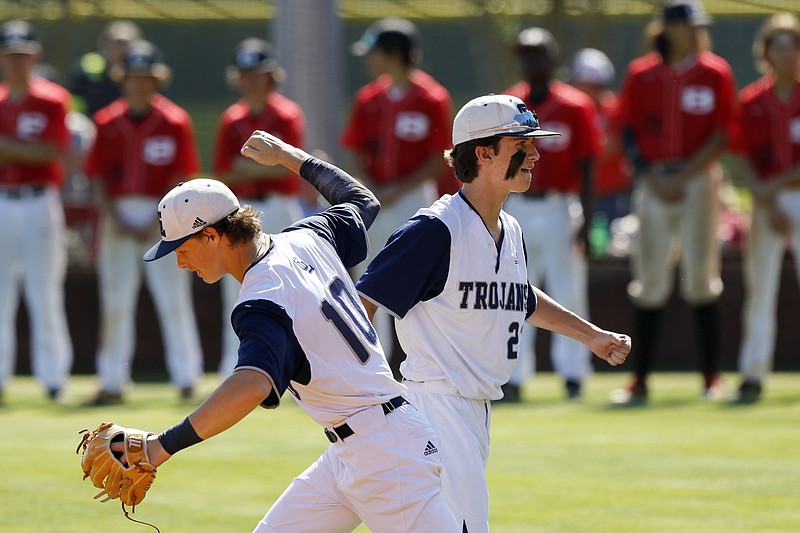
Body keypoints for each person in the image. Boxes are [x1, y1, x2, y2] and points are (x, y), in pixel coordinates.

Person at [137, 130, 460, 532]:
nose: (181, 262)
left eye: (182, 248)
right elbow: (362, 200)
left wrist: (162, 445)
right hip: (360, 446)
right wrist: (288, 156)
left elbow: (253, 384)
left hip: (385, 454)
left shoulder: (261, 297)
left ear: (212, 234)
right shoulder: (307, 236)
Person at [356, 93, 631, 533]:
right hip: (435, 405)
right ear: (483, 152)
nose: (536, 153)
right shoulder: (435, 229)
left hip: (469, 406)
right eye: (521, 144)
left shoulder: (509, 227)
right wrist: (359, 391)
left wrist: (591, 336)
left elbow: (518, 296)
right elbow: (361, 306)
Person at [611, 0, 737, 404]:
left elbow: (722, 133)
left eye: (694, 26)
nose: (690, 32)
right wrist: (651, 175)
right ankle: (640, 381)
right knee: (649, 280)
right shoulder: (642, 72)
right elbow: (626, 130)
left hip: (698, 178)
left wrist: (686, 175)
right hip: (653, 178)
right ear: (666, 29)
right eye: (684, 25)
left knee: (702, 278)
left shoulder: (715, 71)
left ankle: (711, 379)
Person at [84, 39, 204, 405]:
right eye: (133, 77)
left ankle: (187, 377)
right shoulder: (106, 121)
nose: (139, 84)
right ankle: (112, 380)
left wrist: (162, 219)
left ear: (157, 80)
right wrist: (113, 217)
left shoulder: (174, 120)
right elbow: (97, 177)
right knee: (115, 301)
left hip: (164, 214)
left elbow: (182, 176)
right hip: (118, 214)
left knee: (173, 299)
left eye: (145, 77)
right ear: (123, 80)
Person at [342, 17, 454, 375]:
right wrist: (369, 186)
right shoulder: (368, 98)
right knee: (370, 278)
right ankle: (373, 366)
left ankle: (418, 364)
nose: (369, 60)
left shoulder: (431, 97)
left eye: (374, 52)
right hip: (373, 198)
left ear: (394, 53)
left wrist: (396, 189)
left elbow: (439, 157)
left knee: (416, 279)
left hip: (413, 199)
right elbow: (355, 151)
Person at [502, 27, 602, 400]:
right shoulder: (509, 103)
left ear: (552, 59)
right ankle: (514, 375)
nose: (530, 62)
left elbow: (589, 164)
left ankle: (573, 373)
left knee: (568, 291)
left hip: (561, 205)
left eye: (537, 54)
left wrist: (588, 223)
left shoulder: (576, 106)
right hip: (518, 205)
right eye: (524, 55)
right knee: (513, 291)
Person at [214, 37, 307, 377]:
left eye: (257, 74)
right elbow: (224, 170)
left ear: (270, 76)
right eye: (245, 74)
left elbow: (288, 169)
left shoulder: (286, 113)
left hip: (279, 206)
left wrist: (254, 165)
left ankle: (295, 368)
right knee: (234, 288)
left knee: (288, 286)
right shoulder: (231, 118)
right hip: (239, 209)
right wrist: (266, 164)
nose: (251, 81)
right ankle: (233, 368)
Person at [0, 20, 73, 403]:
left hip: (39, 198)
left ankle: (54, 377)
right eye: (10, 55)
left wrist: (8, 147)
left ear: (35, 57)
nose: (16, 62)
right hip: (3, 199)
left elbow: (52, 151)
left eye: (22, 55)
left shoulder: (52, 98)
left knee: (44, 290)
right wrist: (21, 149)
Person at [732, 13, 800, 403]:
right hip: (766, 199)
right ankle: (752, 373)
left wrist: (774, 187)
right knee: (761, 290)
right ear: (766, 52)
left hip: (787, 191)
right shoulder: (753, 99)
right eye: (780, 46)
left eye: (793, 46)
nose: (787, 54)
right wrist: (765, 195)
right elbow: (742, 156)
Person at [569, 47, 633, 246]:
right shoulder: (569, 110)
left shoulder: (615, 108)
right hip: (577, 193)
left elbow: (614, 145)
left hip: (613, 194)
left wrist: (585, 149)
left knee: (616, 246)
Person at [68, 20, 141, 118]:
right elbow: (74, 103)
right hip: (90, 126)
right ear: (105, 44)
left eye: (126, 44)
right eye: (117, 43)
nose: (121, 49)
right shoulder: (86, 67)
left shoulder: (142, 73)